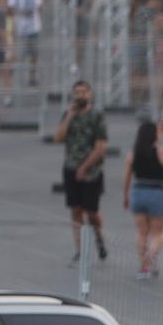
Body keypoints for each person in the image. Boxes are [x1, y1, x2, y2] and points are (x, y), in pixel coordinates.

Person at [56, 79, 109, 263]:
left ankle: (99, 239)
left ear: (90, 94)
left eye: (84, 92)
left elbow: (101, 146)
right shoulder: (69, 114)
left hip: (92, 170)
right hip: (70, 167)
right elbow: (58, 137)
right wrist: (69, 115)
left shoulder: (97, 116)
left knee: (91, 212)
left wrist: (85, 167)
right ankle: (80, 250)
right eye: (77, 92)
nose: (80, 96)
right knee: (75, 210)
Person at [122, 119, 163, 281]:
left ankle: (144, 266)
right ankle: (152, 254)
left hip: (138, 191)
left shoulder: (133, 153)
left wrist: (126, 196)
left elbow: (126, 177)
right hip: (157, 193)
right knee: (158, 232)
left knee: (141, 232)